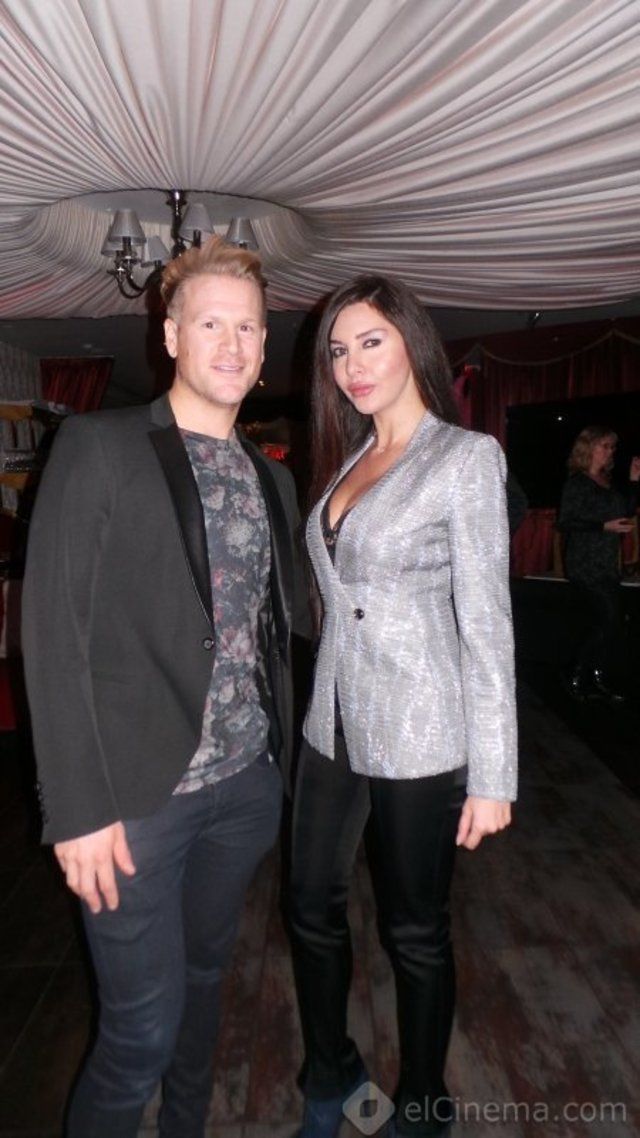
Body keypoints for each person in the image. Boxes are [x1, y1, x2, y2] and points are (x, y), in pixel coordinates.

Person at [21, 235, 309, 1138]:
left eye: (248, 327)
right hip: (134, 801)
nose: (232, 343)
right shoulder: (98, 445)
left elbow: (280, 625)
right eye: (210, 323)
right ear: (172, 336)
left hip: (244, 789)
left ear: (263, 348)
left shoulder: (273, 479)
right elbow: (51, 631)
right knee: (138, 1034)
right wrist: (76, 807)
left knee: (204, 982)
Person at [288, 275, 517, 1138]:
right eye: (338, 350)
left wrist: (493, 775)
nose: (352, 364)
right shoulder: (349, 457)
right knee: (308, 903)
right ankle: (330, 1069)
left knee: (413, 931)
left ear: (412, 344)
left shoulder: (464, 458)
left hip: (423, 726)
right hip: (332, 721)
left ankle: (423, 1103)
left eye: (371, 342)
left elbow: (487, 623)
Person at [556, 425, 640, 702]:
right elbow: (566, 521)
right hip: (585, 561)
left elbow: (627, 511)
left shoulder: (607, 482)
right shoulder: (577, 483)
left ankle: (594, 676)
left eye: (612, 447)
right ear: (589, 448)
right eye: (605, 446)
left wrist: (634, 481)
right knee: (610, 619)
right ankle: (576, 672)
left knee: (608, 621)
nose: (610, 451)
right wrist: (603, 526)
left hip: (606, 561)